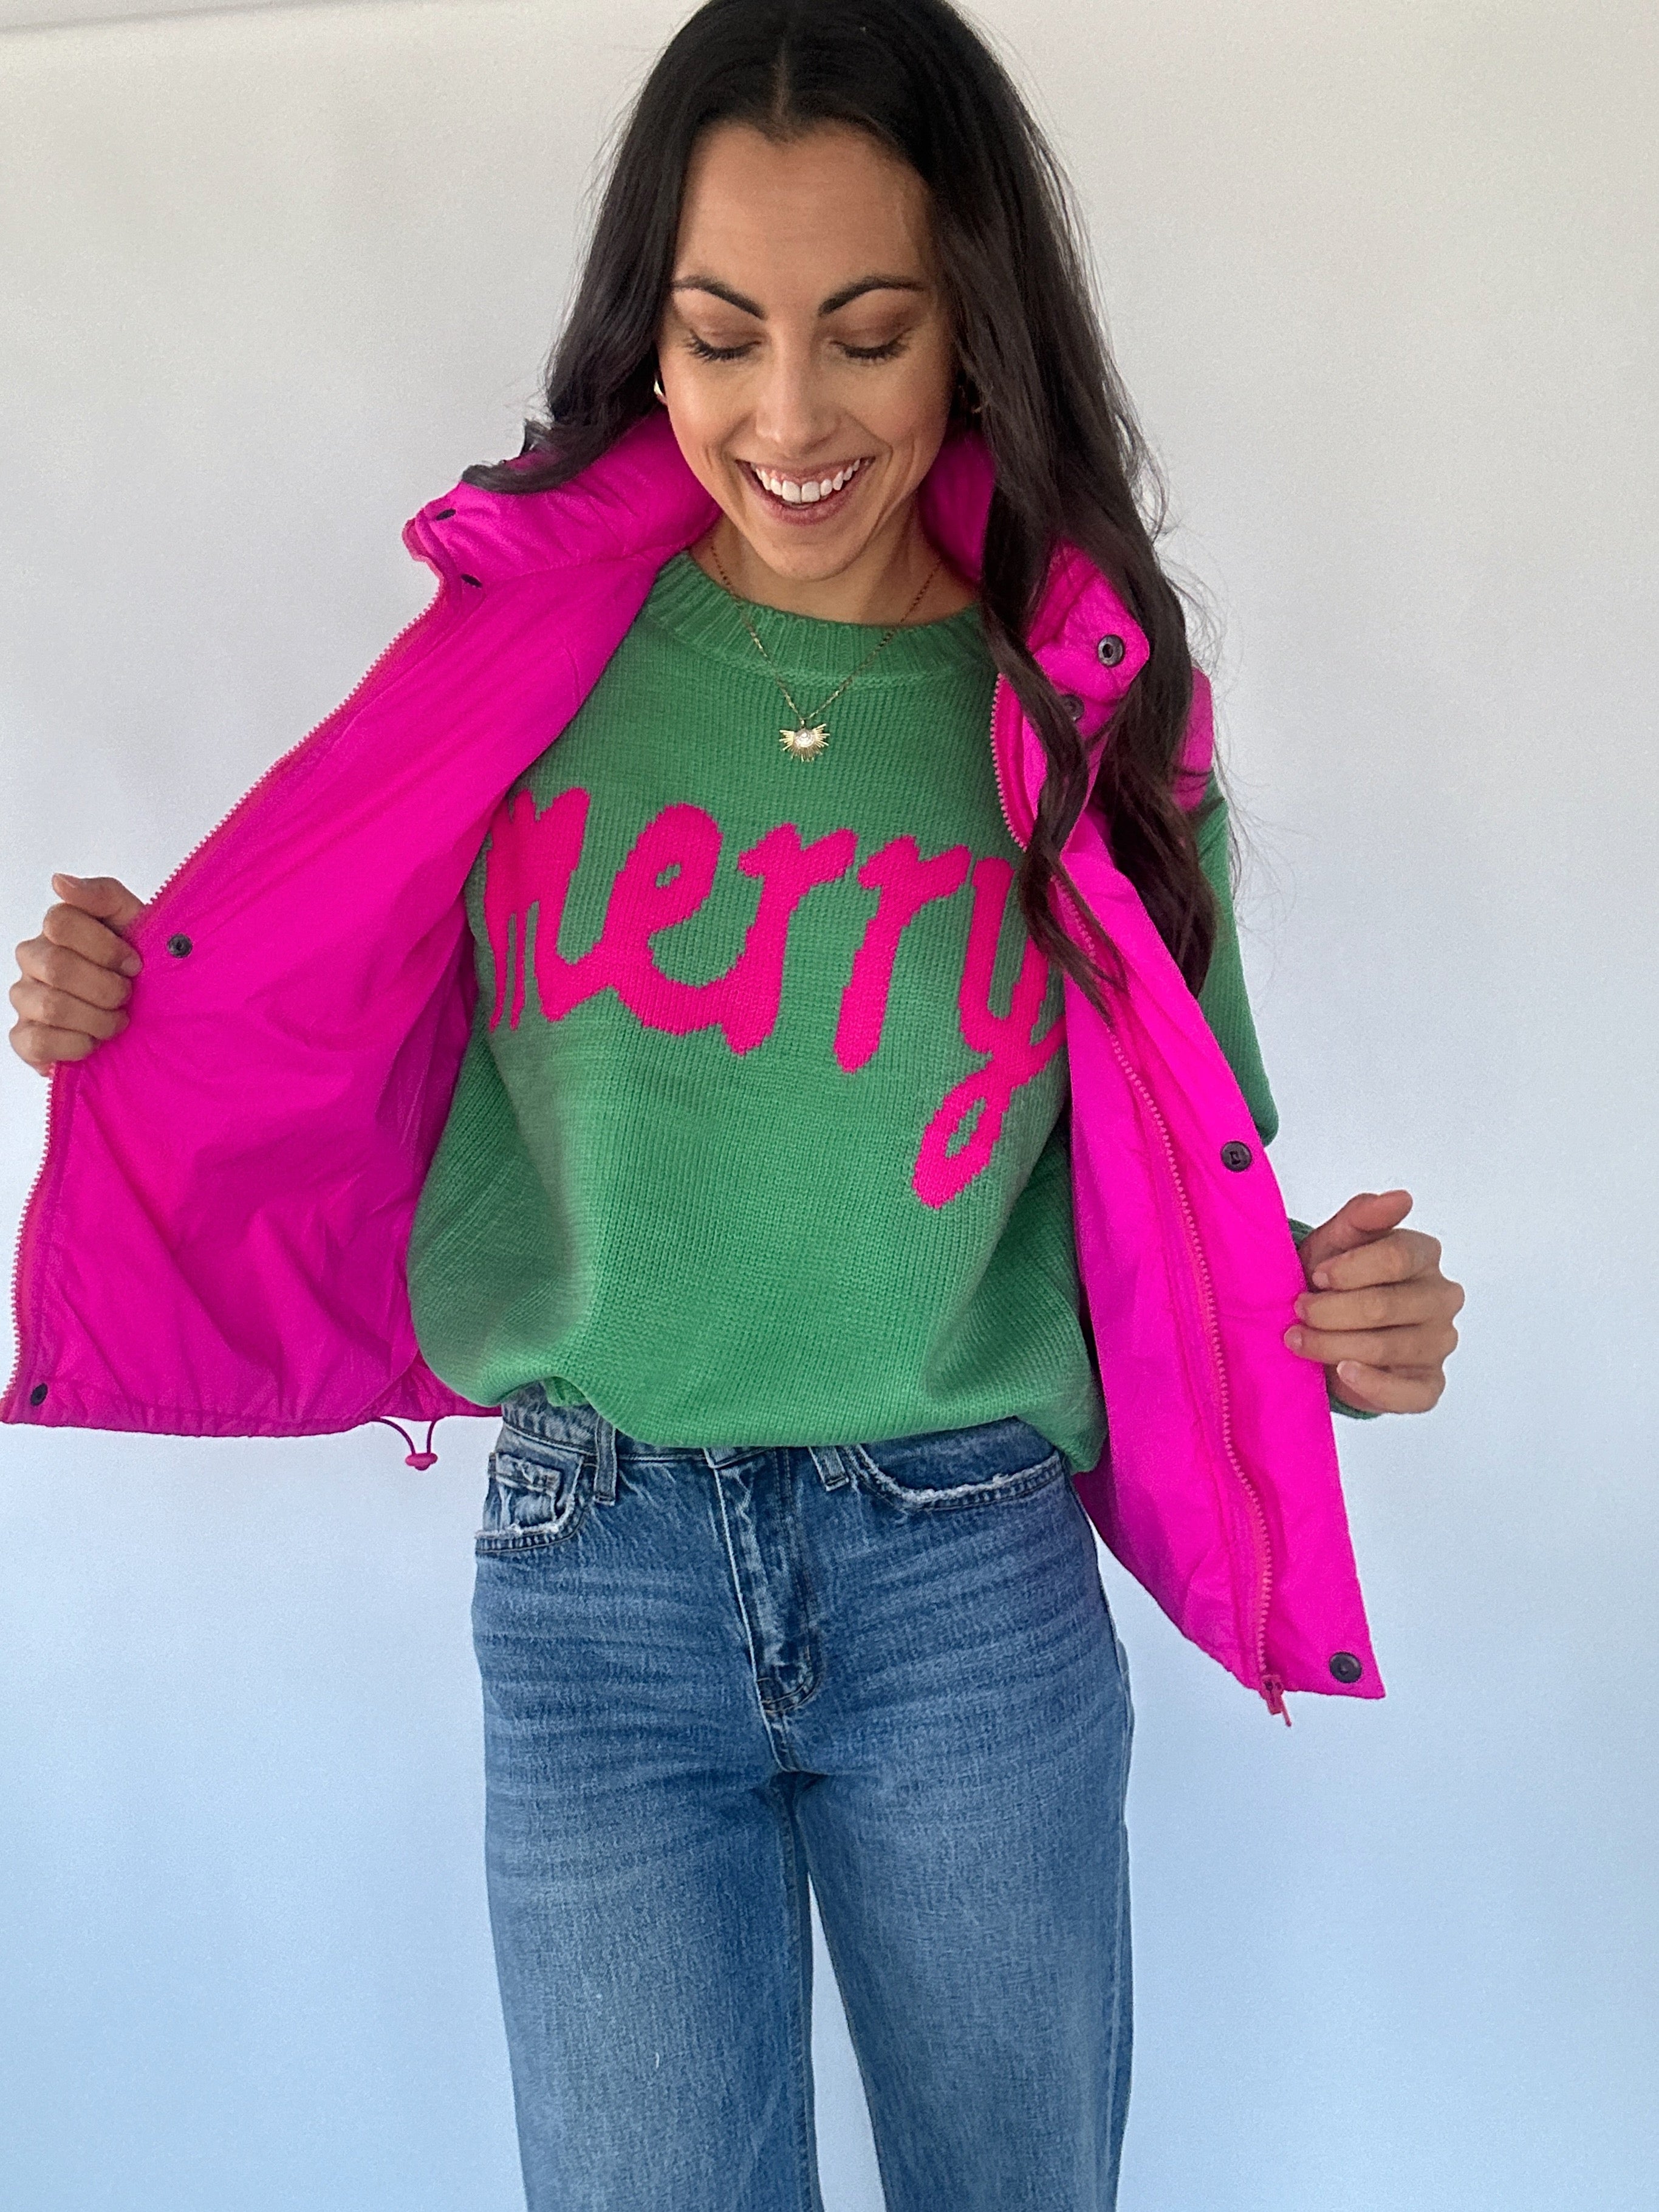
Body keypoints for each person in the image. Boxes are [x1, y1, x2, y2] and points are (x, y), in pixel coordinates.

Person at [4, 1, 1464, 2205]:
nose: (787, 416)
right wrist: (135, 1003)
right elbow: (326, 991)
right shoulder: (522, 661)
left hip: (966, 1580)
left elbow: (1190, 1189)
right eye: (719, 336)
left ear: (974, 333)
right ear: (649, 340)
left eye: (867, 335)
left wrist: (1343, 1329)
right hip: (592, 1579)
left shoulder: (1080, 708)